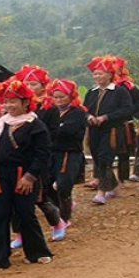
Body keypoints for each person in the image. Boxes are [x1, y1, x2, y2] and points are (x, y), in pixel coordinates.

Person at [0, 79, 54, 270]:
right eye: (6, 101)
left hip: (23, 175)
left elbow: (43, 154)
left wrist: (30, 176)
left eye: (13, 101)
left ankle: (37, 252)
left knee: (25, 214)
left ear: (26, 102)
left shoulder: (36, 125)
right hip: (0, 175)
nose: (9, 106)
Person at [9, 65, 65, 246]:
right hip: (13, 161)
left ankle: (57, 222)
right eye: (27, 83)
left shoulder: (49, 108)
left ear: (43, 86)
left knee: (39, 197)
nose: (30, 87)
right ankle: (19, 234)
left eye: (34, 84)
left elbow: (52, 135)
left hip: (36, 158)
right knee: (13, 201)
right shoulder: (14, 108)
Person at [82, 55, 133, 205]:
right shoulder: (92, 92)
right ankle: (114, 185)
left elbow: (127, 110)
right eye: (95, 74)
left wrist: (106, 117)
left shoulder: (119, 91)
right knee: (98, 158)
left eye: (101, 73)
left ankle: (101, 193)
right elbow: (84, 109)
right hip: (94, 130)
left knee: (105, 158)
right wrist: (89, 116)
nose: (97, 76)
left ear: (110, 75)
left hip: (112, 130)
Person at [47, 79, 87, 225]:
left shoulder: (78, 112)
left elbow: (68, 130)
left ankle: (65, 217)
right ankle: (58, 209)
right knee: (45, 183)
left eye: (62, 97)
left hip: (69, 153)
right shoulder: (50, 111)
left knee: (64, 185)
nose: (58, 100)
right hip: (51, 152)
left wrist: (53, 128)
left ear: (71, 96)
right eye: (55, 97)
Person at [112, 59, 139, 188]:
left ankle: (122, 179)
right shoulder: (101, 87)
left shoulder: (128, 86)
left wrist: (128, 111)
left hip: (124, 123)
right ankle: (100, 178)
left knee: (123, 152)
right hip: (106, 124)